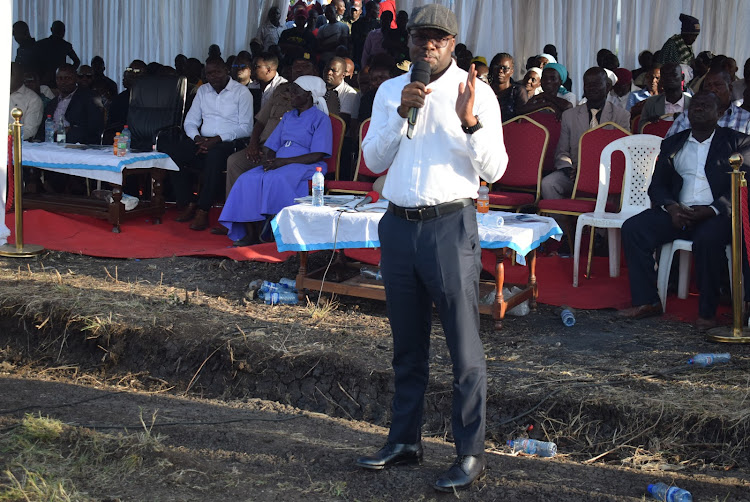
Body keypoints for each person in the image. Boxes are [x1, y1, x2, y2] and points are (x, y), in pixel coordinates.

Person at [355, 5, 507, 493]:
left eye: (438, 38)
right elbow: (373, 160)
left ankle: (469, 453)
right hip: (398, 226)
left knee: (464, 350)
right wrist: (402, 111)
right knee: (407, 346)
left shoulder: (477, 91)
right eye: (421, 37)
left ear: (453, 43)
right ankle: (404, 441)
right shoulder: (388, 92)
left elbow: (497, 168)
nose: (428, 46)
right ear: (411, 41)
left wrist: (470, 124)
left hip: (449, 228)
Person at [620, 92, 750, 330]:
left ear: (720, 114)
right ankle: (647, 301)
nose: (698, 108)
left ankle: (707, 313)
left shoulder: (738, 142)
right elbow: (657, 185)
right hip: (679, 211)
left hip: (717, 215)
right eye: (695, 105)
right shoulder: (673, 143)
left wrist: (711, 210)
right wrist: (671, 207)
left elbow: (744, 186)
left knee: (707, 239)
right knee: (633, 228)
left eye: (706, 105)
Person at [218, 76, 332, 246]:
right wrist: (269, 159)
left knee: (276, 178)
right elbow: (272, 144)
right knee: (247, 179)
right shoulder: (288, 116)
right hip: (281, 162)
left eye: (295, 92)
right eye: (290, 91)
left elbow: (317, 155)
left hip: (305, 164)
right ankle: (251, 233)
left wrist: (283, 162)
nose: (291, 95)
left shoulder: (321, 119)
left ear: (309, 94)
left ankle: (276, 229)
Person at [174, 57, 253, 231]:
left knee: (214, 157)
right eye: (209, 73)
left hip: (230, 142)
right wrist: (197, 139)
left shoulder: (241, 93)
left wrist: (216, 139)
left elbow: (246, 128)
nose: (213, 76)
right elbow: (190, 122)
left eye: (217, 71)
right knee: (175, 154)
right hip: (202, 140)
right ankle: (189, 202)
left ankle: (203, 210)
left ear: (226, 70)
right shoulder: (203, 91)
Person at [541, 67, 630, 201]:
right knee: (548, 184)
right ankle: (563, 221)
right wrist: (568, 169)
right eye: (588, 84)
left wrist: (592, 170)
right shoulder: (569, 116)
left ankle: (603, 221)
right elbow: (562, 152)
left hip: (608, 175)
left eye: (596, 84)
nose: (591, 88)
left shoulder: (621, 115)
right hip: (575, 173)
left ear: (607, 87)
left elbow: (622, 154)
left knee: (617, 191)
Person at [666, 68, 750, 137]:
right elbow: (668, 148)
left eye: (718, 85)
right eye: (708, 86)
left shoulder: (746, 119)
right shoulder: (687, 116)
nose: (712, 89)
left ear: (730, 89)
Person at [35, 64, 103, 145]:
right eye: (60, 78)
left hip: (76, 145)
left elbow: (95, 127)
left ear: (76, 79)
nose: (63, 82)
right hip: (51, 144)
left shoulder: (89, 98)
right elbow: (43, 129)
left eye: (67, 78)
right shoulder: (52, 103)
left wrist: (70, 130)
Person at [34, 20, 80, 87]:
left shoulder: (41, 44)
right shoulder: (65, 45)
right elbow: (77, 61)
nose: (60, 32)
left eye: (61, 30)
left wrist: (67, 72)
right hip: (51, 79)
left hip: (55, 79)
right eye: (58, 30)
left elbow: (77, 61)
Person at [107, 60, 147, 128]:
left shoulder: (150, 99)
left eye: (136, 71)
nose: (130, 74)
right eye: (129, 70)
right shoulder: (119, 100)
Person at [9, 62, 43, 140]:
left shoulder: (33, 99)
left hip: (17, 145)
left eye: (11, 74)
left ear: (21, 77)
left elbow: (29, 132)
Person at [488, 53, 527, 121]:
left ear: (512, 71)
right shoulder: (486, 90)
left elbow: (523, 117)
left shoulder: (518, 91)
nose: (500, 71)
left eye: (505, 68)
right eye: (497, 66)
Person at [324, 57, 360, 124]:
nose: (329, 72)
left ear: (343, 75)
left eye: (333, 70)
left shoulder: (350, 93)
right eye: (327, 69)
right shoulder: (316, 87)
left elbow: (341, 121)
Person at [351, 1, 381, 68]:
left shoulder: (378, 24)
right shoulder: (357, 24)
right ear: (370, 10)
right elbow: (355, 41)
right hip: (360, 56)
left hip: (374, 58)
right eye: (377, 10)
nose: (378, 12)